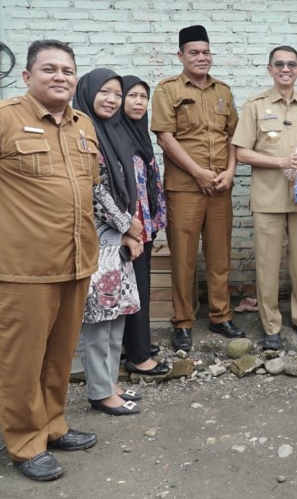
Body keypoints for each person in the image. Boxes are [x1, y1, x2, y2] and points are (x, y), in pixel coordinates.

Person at [0, 40, 99, 482]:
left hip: (74, 262)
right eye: (49, 69)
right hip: (20, 269)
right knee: (19, 361)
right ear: (27, 76)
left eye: (68, 70)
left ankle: (52, 426)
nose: (60, 77)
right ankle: (25, 443)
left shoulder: (82, 126)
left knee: (58, 356)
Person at [151, 25, 242, 351]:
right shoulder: (167, 90)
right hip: (185, 189)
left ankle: (221, 316)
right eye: (194, 53)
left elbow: (234, 136)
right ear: (181, 56)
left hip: (220, 187)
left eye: (205, 52)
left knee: (220, 257)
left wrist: (230, 171)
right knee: (184, 259)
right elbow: (165, 137)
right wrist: (197, 173)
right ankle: (183, 322)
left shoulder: (223, 92)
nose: (201, 58)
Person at [232, 46, 297, 351]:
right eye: (279, 64)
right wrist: (282, 162)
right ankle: (271, 326)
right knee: (268, 265)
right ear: (270, 69)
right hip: (269, 198)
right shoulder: (256, 105)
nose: (286, 69)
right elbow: (241, 152)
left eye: (292, 65)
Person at [73, 69, 144, 416]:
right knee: (99, 320)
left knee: (118, 316)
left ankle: (111, 382)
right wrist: (127, 224)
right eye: (104, 92)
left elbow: (125, 186)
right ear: (87, 93)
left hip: (118, 241)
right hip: (98, 242)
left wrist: (131, 227)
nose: (112, 99)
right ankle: (100, 392)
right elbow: (93, 189)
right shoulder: (82, 133)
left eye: (117, 93)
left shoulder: (115, 132)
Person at [120, 75, 169, 376]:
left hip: (144, 225)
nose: (138, 102)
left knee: (139, 286)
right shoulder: (114, 135)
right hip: (127, 228)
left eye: (143, 97)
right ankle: (138, 358)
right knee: (134, 287)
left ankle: (135, 345)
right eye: (132, 96)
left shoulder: (138, 133)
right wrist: (129, 227)